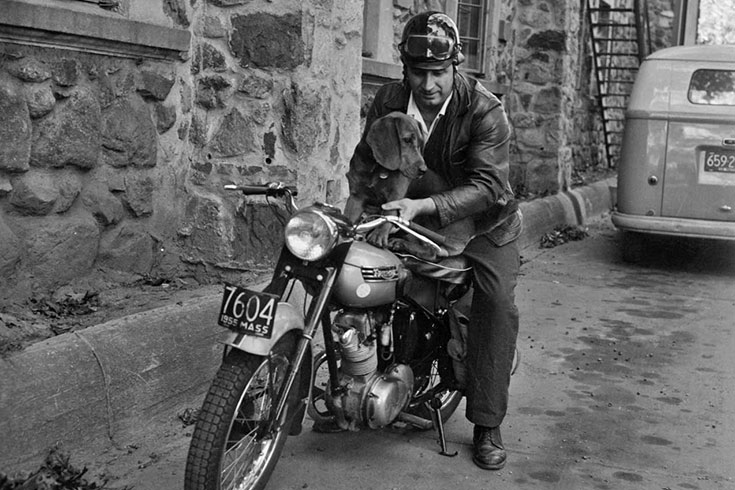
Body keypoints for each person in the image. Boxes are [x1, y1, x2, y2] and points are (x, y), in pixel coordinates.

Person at [347, 11, 522, 470]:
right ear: (404, 68)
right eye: (418, 72)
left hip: (486, 223)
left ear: (456, 68)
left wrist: (422, 207)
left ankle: (487, 422)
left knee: (495, 303)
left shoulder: (485, 110)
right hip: (412, 210)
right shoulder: (388, 97)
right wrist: (358, 212)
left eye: (438, 73)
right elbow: (370, 162)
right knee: (356, 268)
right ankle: (355, 383)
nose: (428, 85)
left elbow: (488, 186)